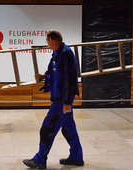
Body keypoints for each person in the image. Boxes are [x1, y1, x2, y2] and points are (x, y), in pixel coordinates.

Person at [23, 29, 84, 169]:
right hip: (60, 98)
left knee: (46, 128)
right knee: (68, 129)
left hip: (61, 101)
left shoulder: (66, 53)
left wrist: (67, 102)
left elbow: (70, 79)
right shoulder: (57, 53)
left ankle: (40, 159)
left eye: (47, 40)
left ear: (52, 39)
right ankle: (76, 156)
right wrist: (44, 76)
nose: (47, 43)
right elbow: (53, 70)